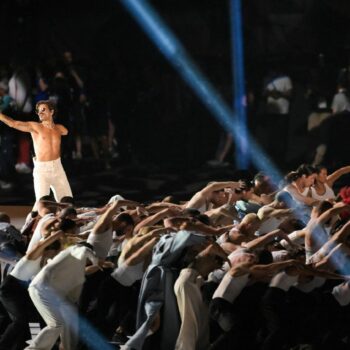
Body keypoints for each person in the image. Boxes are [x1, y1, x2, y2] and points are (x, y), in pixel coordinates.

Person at [0, 100, 73, 205]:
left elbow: (66, 131)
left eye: (43, 110)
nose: (40, 113)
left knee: (67, 202)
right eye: (38, 111)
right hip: (42, 170)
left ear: (51, 112)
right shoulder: (35, 127)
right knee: (41, 205)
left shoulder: (60, 128)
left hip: (58, 168)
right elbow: (13, 123)